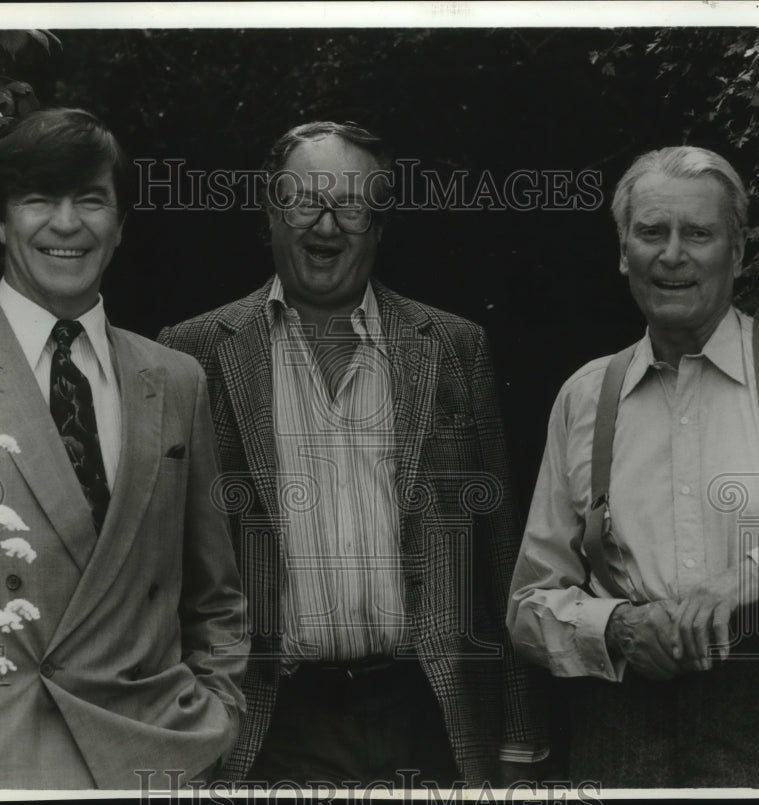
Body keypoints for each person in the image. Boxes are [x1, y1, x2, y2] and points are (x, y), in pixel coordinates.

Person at [158, 121, 547, 786]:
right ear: (270, 214)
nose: (327, 224)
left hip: (428, 713)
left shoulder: (455, 346)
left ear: (381, 225)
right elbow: (166, 566)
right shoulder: (193, 352)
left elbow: (498, 552)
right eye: (305, 200)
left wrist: (520, 737)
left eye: (352, 204)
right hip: (266, 723)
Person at [0, 108, 247, 789]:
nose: (66, 222)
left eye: (90, 199)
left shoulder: (175, 379)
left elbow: (214, 598)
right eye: (37, 199)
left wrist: (216, 720)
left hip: (153, 761)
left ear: (119, 225)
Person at [506, 146, 759, 788]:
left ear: (736, 253)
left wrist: (749, 579)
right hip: (622, 741)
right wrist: (616, 627)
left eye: (698, 234)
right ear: (624, 252)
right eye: (652, 232)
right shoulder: (587, 395)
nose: (672, 254)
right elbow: (528, 606)